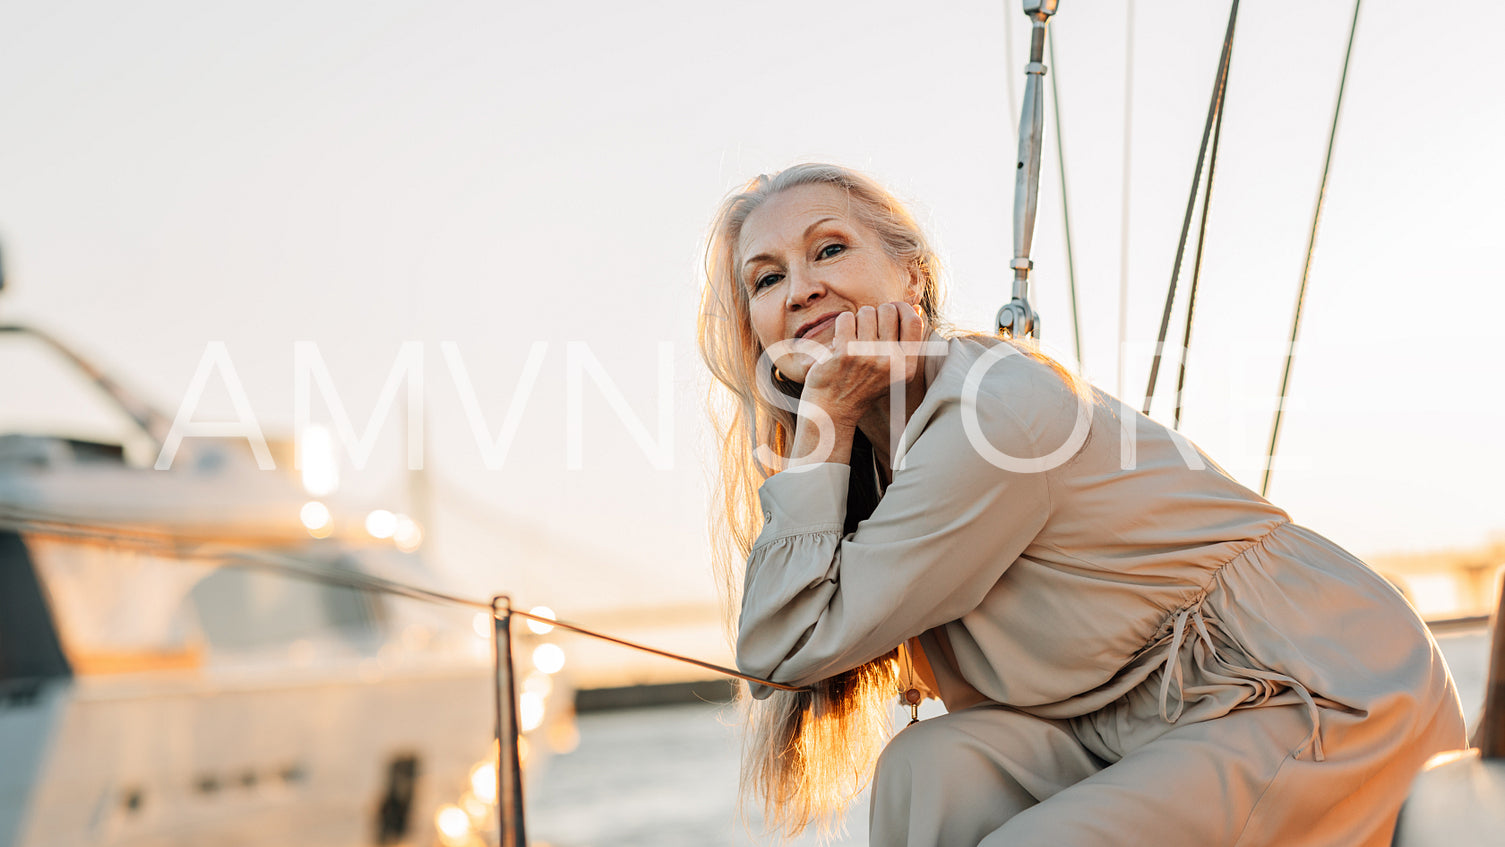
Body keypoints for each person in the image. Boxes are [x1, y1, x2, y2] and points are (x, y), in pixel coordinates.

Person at [695, 163, 1468, 847]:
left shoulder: (990, 415)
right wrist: (829, 434)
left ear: (910, 277)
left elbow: (780, 650)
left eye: (829, 249)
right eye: (767, 279)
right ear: (757, 330)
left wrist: (822, 420)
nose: (801, 288)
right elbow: (780, 657)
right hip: (1143, 718)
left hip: (1315, 694)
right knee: (926, 769)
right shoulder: (872, 460)